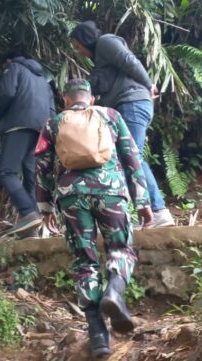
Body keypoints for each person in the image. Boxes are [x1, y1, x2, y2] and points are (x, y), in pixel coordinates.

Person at [36, 79, 152, 357]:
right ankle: (114, 291)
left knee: (84, 261)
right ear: (91, 97)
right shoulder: (111, 115)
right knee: (120, 248)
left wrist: (45, 207)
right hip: (110, 191)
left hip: (72, 195)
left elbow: (42, 166)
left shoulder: (54, 123)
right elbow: (131, 157)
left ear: (65, 99)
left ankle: (99, 336)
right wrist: (142, 201)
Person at [69, 20, 175, 228]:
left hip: (132, 103)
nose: (78, 51)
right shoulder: (100, 60)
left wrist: (148, 84)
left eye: (77, 45)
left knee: (131, 157)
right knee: (126, 158)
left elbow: (130, 61)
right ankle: (147, 212)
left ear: (84, 39)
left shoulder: (106, 42)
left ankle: (158, 210)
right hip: (126, 106)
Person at [0, 51, 55, 237]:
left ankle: (29, 213)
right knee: (30, 179)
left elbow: (7, 93)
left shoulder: (14, 67)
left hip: (17, 125)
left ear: (8, 60)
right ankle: (32, 230)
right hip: (39, 130)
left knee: (7, 172)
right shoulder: (43, 80)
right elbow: (52, 109)